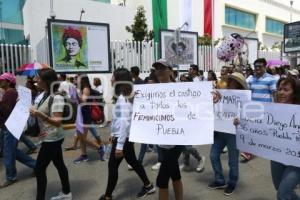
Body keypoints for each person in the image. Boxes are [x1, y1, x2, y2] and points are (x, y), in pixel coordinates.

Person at [99, 68, 155, 200]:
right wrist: (113, 133)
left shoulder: (124, 98)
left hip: (123, 139)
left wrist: (119, 146)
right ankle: (148, 185)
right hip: (124, 137)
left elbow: (125, 122)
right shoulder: (123, 96)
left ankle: (107, 196)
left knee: (112, 166)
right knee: (133, 162)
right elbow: (119, 119)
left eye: (113, 76)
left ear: (119, 80)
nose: (111, 79)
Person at [29, 68, 72, 200]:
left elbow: (58, 122)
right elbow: (41, 110)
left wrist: (40, 115)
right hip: (50, 137)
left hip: (52, 138)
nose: (36, 80)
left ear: (46, 81)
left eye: (38, 78)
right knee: (59, 164)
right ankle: (66, 193)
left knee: (39, 169)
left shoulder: (57, 97)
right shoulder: (44, 94)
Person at [208, 72, 247, 196]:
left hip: (233, 132)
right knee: (213, 155)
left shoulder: (243, 97)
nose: (231, 83)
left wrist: (240, 120)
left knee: (233, 160)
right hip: (219, 131)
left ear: (239, 85)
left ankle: (232, 182)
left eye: (234, 82)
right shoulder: (220, 94)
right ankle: (219, 180)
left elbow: (247, 114)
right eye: (230, 81)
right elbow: (212, 109)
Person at [152, 59, 184, 200]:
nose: (159, 71)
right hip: (162, 141)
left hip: (176, 141)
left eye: (162, 68)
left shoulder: (180, 90)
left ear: (170, 71)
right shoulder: (153, 90)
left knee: (161, 180)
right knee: (175, 173)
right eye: (157, 69)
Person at [0, 73, 36, 188]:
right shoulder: (8, 93)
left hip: (11, 127)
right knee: (13, 152)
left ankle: (11, 177)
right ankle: (36, 165)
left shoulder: (11, 93)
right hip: (9, 126)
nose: (0, 81)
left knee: (8, 153)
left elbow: (7, 112)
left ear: (9, 82)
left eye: (2, 80)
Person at [242, 58, 277, 162]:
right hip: (252, 109)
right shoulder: (250, 79)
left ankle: (266, 147)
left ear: (265, 67)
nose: (257, 68)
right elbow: (245, 92)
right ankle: (249, 152)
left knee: (264, 130)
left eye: (260, 66)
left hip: (266, 109)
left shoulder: (271, 79)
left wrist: (277, 109)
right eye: (256, 66)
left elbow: (274, 94)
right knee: (252, 130)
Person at [271, 78, 300, 200]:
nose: (281, 92)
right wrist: (241, 123)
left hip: (296, 161)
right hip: (277, 157)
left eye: (286, 90)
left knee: (282, 194)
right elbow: (257, 126)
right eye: (279, 89)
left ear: (294, 92)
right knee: (280, 188)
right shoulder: (271, 109)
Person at [73, 75, 104, 163]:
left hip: (84, 115)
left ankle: (99, 147)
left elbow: (83, 101)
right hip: (80, 114)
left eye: (77, 78)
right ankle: (84, 155)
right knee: (80, 136)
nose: (75, 80)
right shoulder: (81, 88)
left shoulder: (86, 88)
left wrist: (76, 94)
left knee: (82, 137)